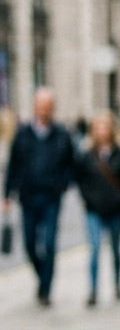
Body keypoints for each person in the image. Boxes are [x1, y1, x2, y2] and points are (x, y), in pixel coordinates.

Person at [2, 87, 74, 305]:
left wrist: (62, 184)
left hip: (52, 196)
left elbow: (71, 165)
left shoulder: (62, 134)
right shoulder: (22, 134)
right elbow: (13, 165)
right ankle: (42, 275)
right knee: (29, 243)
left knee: (50, 243)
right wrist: (7, 195)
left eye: (48, 106)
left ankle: (45, 289)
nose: (44, 110)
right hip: (28, 196)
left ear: (53, 108)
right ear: (35, 107)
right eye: (40, 106)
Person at [75, 111, 120, 305]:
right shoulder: (87, 155)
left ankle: (117, 283)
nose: (102, 131)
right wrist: (88, 199)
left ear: (112, 130)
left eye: (106, 127)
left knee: (116, 249)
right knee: (94, 249)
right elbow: (81, 180)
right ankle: (93, 290)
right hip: (94, 210)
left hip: (116, 210)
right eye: (98, 127)